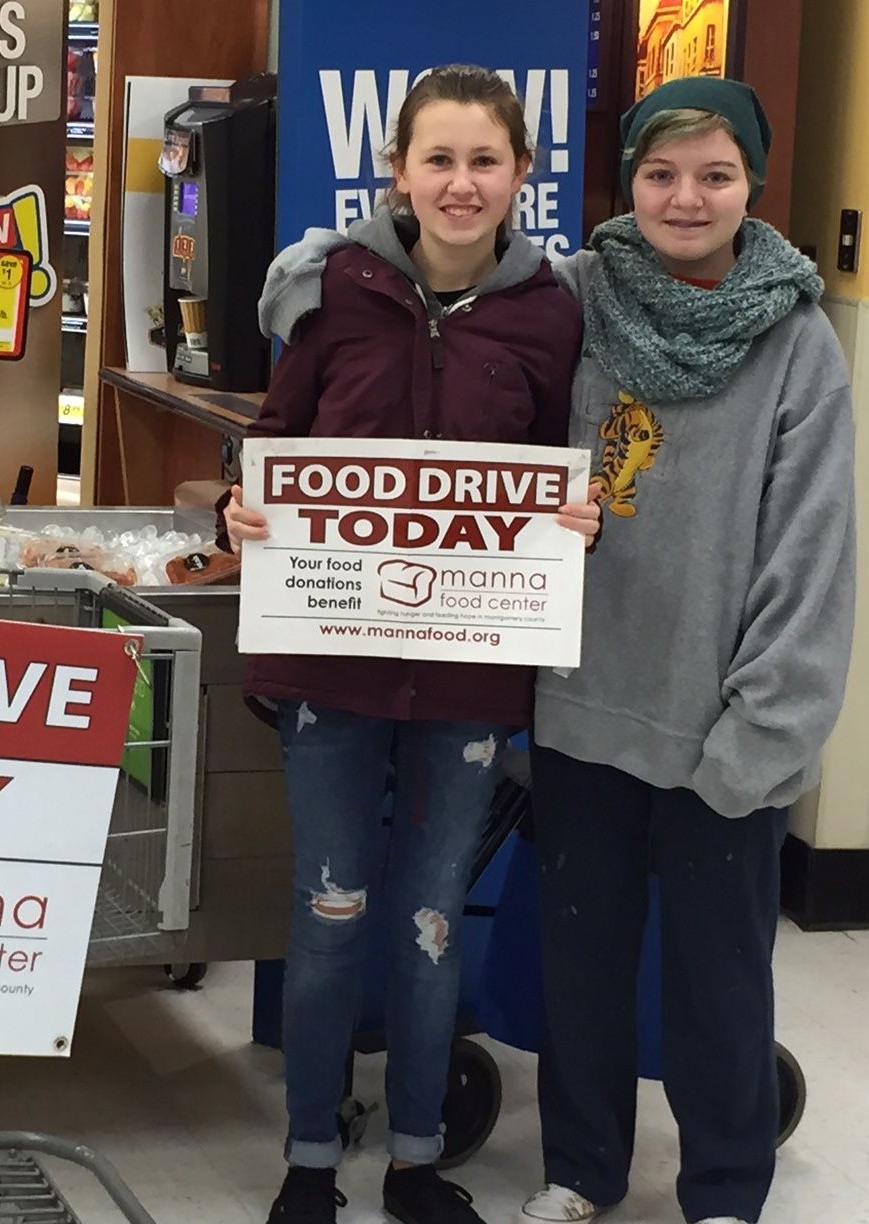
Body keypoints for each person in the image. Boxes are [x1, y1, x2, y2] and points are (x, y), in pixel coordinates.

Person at [220, 65, 597, 1224]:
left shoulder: (553, 313)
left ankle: (419, 1158)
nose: (461, 182)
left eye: (486, 160)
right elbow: (273, 443)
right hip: (331, 670)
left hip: (470, 682)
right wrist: (240, 507)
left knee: (430, 930)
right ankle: (311, 1158)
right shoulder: (334, 292)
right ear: (398, 173)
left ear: (523, 175)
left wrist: (568, 522)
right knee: (331, 917)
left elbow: (556, 462)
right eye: (438, 159)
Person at [522, 77, 856, 1224]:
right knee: (582, 970)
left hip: (723, 728)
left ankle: (723, 1189)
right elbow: (414, 298)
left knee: (721, 985)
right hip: (579, 711)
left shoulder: (799, 342)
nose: (686, 196)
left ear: (752, 185)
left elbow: (811, 558)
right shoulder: (571, 298)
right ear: (629, 182)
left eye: (715, 174)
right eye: (661, 173)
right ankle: (579, 1173)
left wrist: (760, 734)